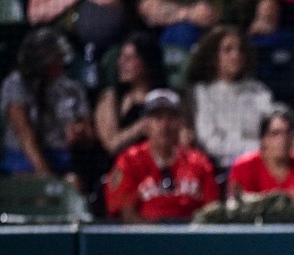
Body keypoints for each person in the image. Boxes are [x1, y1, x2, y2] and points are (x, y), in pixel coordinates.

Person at [0, 28, 103, 196]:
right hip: (23, 160)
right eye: (57, 57)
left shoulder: (72, 89)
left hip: (63, 158)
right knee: (26, 187)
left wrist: (79, 133)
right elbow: (25, 136)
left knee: (75, 184)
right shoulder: (15, 84)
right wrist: (48, 180)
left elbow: (90, 136)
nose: (62, 61)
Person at [104, 87, 220, 221]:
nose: (164, 125)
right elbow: (127, 216)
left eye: (171, 117)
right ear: (145, 124)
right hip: (144, 238)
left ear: (180, 123)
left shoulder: (199, 162)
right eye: (157, 118)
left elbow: (211, 211)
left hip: (190, 236)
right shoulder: (128, 161)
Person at [184, 24, 273, 171]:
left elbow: (275, 123)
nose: (236, 55)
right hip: (227, 164)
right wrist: (261, 147)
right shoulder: (202, 92)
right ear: (214, 57)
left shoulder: (258, 90)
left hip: (266, 157)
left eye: (240, 50)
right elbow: (210, 143)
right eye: (228, 50)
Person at [227, 103, 294, 209]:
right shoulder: (243, 168)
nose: (282, 140)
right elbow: (235, 209)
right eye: (275, 134)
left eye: (287, 133)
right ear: (263, 138)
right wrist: (288, 203)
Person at [94, 31, 170, 159]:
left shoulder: (166, 97)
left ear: (147, 62)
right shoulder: (112, 98)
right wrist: (142, 126)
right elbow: (111, 145)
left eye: (129, 58)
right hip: (120, 168)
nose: (120, 63)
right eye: (121, 57)